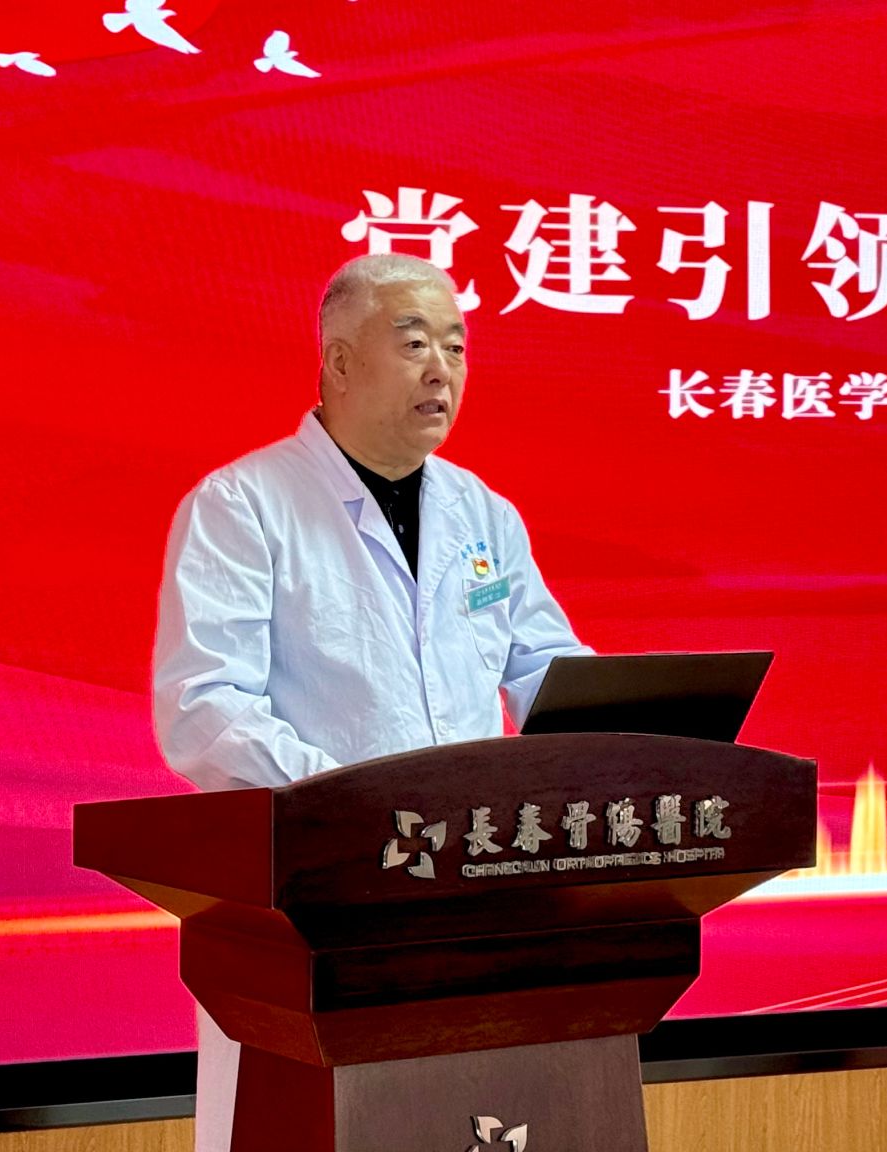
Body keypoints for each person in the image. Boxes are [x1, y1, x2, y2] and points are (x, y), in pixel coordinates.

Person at [150, 252, 590, 1150]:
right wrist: (353, 803)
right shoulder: (244, 505)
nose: (443, 369)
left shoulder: (484, 513)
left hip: (477, 887)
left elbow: (546, 667)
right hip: (314, 905)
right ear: (340, 362)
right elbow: (204, 706)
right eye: (415, 342)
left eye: (457, 347)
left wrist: (640, 737)